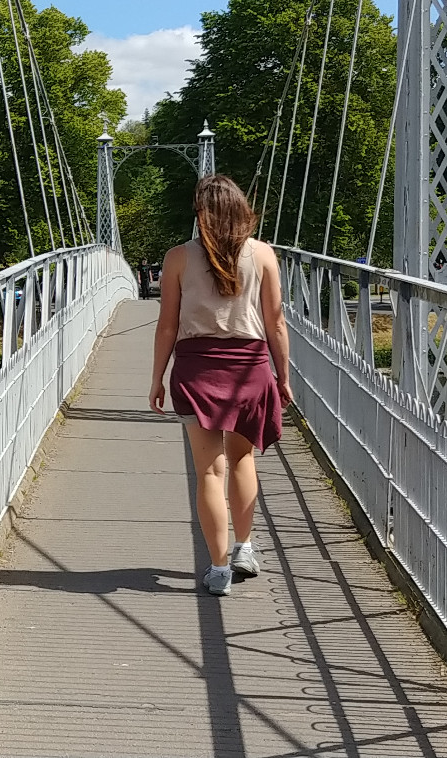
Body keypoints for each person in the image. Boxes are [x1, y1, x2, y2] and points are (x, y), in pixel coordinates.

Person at [149, 174, 292, 596]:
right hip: (249, 370)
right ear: (241, 210)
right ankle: (244, 548)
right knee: (242, 461)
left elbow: (167, 325)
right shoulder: (264, 255)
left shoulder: (177, 258)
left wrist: (156, 377)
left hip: (196, 371)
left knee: (209, 471)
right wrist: (283, 378)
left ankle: (217, 569)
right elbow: (276, 323)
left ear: (200, 213)